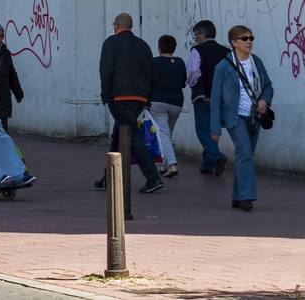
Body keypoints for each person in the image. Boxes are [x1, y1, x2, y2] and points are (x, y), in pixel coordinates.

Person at [97, 12, 165, 194]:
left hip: (120, 97)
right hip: (140, 98)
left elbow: (106, 70)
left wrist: (106, 95)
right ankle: (108, 178)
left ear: (116, 26)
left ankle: (153, 178)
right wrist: (147, 98)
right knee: (119, 135)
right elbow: (152, 74)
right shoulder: (143, 45)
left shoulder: (111, 42)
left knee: (132, 136)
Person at [210, 24, 273, 211]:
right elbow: (215, 99)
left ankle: (237, 197)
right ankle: (247, 196)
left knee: (245, 155)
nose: (249, 42)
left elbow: (268, 85)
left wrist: (264, 100)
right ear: (234, 42)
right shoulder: (223, 67)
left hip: (254, 117)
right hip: (234, 117)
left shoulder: (256, 62)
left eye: (251, 38)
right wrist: (215, 128)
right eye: (244, 38)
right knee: (244, 151)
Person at [187, 19, 229, 176]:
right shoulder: (226, 52)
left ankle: (217, 157)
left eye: (196, 35)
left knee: (202, 129)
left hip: (203, 94)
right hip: (220, 96)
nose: (195, 38)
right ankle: (207, 163)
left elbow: (193, 71)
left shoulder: (197, 50)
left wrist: (192, 84)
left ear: (202, 34)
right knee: (213, 129)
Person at [149, 33, 187, 178]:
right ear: (174, 48)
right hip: (177, 102)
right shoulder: (180, 62)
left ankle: (171, 164)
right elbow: (183, 82)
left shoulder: (154, 62)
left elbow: (149, 81)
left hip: (158, 101)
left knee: (163, 133)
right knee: (167, 133)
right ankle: (164, 164)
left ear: (159, 48)